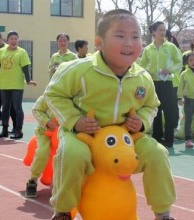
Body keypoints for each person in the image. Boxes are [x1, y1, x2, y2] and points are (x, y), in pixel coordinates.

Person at [44, 9, 176, 220]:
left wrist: (141, 122)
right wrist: (75, 121)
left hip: (124, 139)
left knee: (157, 153)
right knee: (71, 154)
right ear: (99, 42)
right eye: (120, 36)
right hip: (83, 136)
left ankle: (163, 213)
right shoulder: (79, 69)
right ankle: (63, 210)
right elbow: (53, 95)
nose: (130, 43)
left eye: (136, 36)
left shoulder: (142, 77)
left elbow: (152, 105)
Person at [140, 21, 183, 148]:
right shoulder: (148, 49)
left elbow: (179, 62)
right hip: (153, 83)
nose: (162, 32)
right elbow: (142, 65)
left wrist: (170, 70)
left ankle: (169, 139)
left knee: (169, 111)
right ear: (153, 32)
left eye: (164, 30)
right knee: (155, 111)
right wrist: (147, 73)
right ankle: (157, 137)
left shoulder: (171, 47)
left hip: (167, 83)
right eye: (160, 30)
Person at [0, 31, 37, 139]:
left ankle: (18, 130)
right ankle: (4, 130)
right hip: (4, 85)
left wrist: (29, 80)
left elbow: (25, 68)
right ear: (7, 40)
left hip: (17, 85)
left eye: (16, 39)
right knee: (5, 108)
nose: (14, 41)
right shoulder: (1, 51)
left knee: (17, 107)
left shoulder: (22, 52)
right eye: (11, 39)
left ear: (18, 40)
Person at [24, 95, 58, 198]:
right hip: (45, 132)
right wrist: (46, 122)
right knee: (43, 152)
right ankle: (33, 180)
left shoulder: (72, 97)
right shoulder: (48, 95)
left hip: (64, 133)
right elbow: (36, 109)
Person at [166, 30, 182, 130]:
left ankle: (174, 126)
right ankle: (167, 125)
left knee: (172, 105)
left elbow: (179, 66)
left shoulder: (176, 50)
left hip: (174, 81)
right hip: (161, 81)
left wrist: (169, 71)